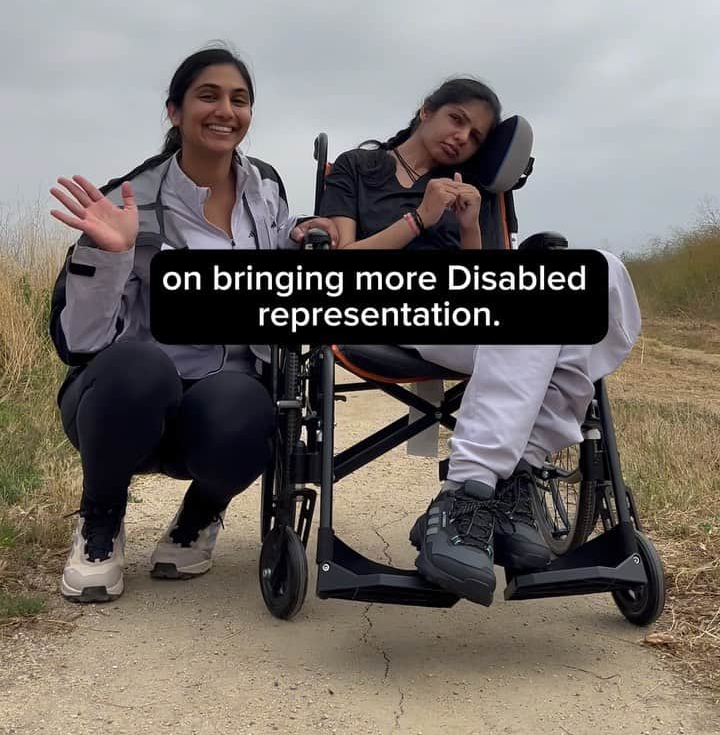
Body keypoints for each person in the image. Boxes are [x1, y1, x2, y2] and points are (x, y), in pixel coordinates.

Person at [319, 76, 641, 607]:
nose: (461, 139)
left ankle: (499, 482)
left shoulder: (475, 186)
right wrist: (420, 218)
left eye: (474, 136)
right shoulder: (360, 168)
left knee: (598, 272)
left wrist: (469, 228)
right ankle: (474, 489)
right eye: (457, 120)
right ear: (426, 111)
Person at [49, 45, 338, 604]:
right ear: (175, 111)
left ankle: (199, 516)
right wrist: (110, 255)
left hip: (220, 404)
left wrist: (302, 236)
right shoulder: (128, 201)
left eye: (240, 100)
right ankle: (100, 522)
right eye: (208, 96)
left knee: (250, 400)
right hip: (126, 405)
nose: (225, 110)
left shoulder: (266, 189)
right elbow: (79, 343)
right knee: (139, 364)